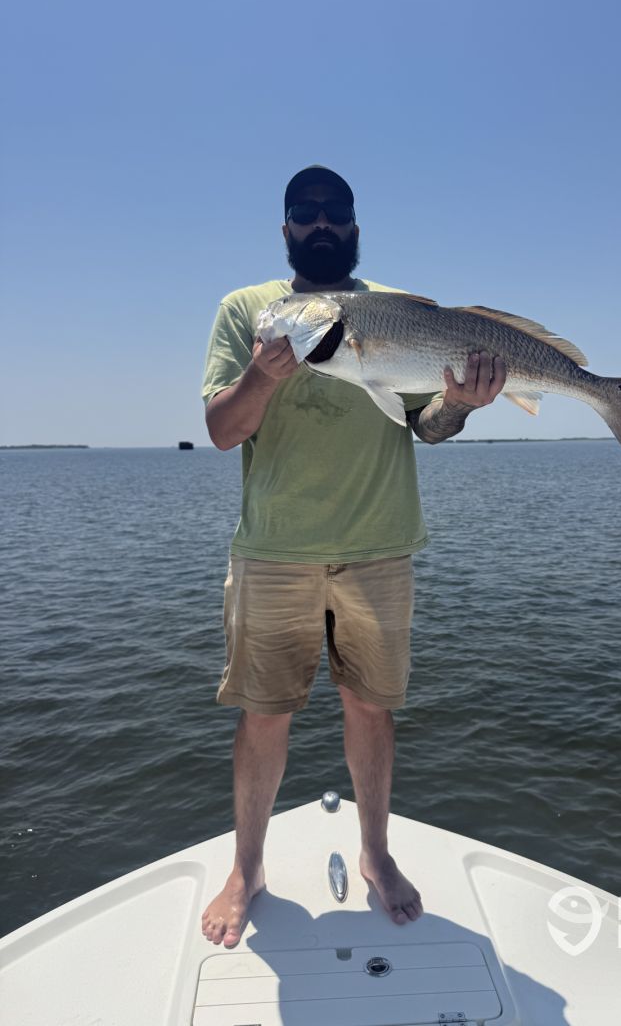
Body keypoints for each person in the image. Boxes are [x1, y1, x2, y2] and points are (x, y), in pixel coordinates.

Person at [200, 165, 506, 947]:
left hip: (379, 547)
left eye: (335, 211)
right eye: (306, 213)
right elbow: (224, 430)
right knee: (263, 717)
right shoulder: (250, 311)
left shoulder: (400, 310)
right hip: (274, 551)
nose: (322, 223)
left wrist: (460, 405)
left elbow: (425, 427)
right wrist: (261, 376)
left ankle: (375, 853)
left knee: (372, 709)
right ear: (286, 230)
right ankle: (246, 869)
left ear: (355, 226)